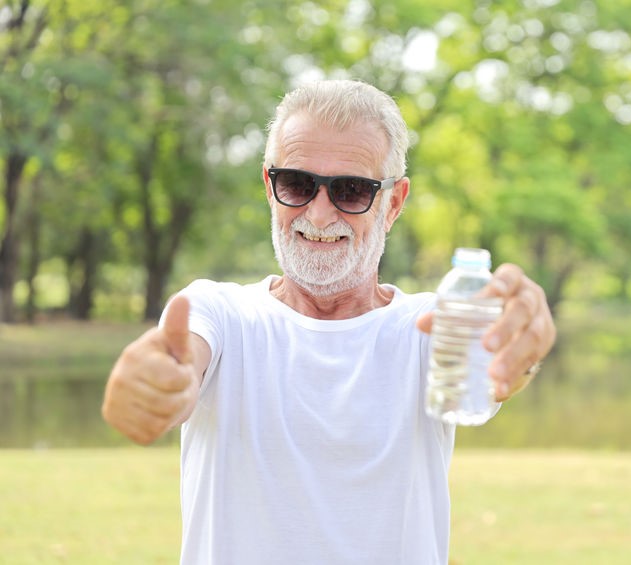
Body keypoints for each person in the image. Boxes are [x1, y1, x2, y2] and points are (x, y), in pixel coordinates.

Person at [102, 79, 556, 564]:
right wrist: (152, 386)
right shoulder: (219, 313)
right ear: (270, 187)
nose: (318, 215)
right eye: (296, 184)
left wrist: (520, 352)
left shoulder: (425, 327)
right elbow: (180, 362)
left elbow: (490, 369)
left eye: (351, 190)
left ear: (394, 203)